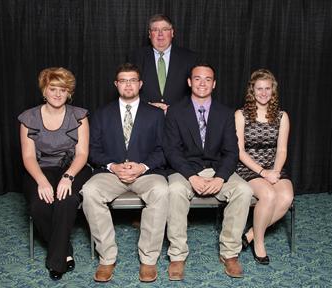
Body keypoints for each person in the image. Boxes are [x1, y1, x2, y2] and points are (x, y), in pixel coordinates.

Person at [81, 63, 168, 283]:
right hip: (111, 173)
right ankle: (107, 257)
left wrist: (142, 167)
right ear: (116, 84)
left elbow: (164, 150)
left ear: (140, 84)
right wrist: (113, 166)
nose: (128, 85)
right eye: (123, 80)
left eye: (132, 80)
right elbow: (93, 150)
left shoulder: (156, 115)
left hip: (147, 173)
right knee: (90, 191)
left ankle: (148, 259)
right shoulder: (102, 113)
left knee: (161, 190)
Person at [164, 64, 253, 280]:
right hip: (186, 170)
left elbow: (232, 151)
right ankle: (177, 255)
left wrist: (221, 177)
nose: (202, 83)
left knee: (243, 189)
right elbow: (171, 151)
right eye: (197, 78)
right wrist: (191, 176)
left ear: (214, 84)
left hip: (217, 169)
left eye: (207, 79)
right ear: (189, 82)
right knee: (174, 190)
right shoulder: (175, 111)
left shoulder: (225, 113)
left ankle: (230, 253)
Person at [18, 67, 92, 280]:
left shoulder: (79, 115)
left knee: (66, 200)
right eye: (53, 88)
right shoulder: (28, 118)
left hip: (74, 167)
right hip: (41, 169)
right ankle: (65, 249)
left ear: (69, 92)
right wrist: (41, 181)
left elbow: (82, 153)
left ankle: (56, 262)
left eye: (63, 89)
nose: (58, 94)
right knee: (38, 205)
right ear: (44, 90)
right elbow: (29, 157)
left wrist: (68, 177)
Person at [235, 69, 294, 265]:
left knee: (286, 197)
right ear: (252, 90)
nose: (263, 93)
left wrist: (275, 172)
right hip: (248, 167)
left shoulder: (282, 116)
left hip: (273, 166)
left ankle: (250, 234)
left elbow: (282, 150)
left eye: (267, 88)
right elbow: (240, 151)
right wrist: (263, 172)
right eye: (259, 88)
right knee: (268, 195)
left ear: (273, 90)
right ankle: (259, 243)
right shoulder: (240, 115)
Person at [128, 14, 197, 113]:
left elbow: (196, 90)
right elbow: (129, 88)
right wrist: (148, 106)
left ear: (172, 32)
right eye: (155, 30)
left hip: (178, 117)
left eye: (165, 29)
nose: (160, 34)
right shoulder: (135, 57)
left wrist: (174, 108)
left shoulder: (189, 58)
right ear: (149, 34)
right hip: (145, 116)